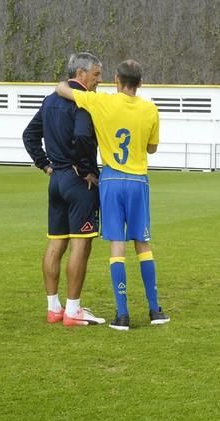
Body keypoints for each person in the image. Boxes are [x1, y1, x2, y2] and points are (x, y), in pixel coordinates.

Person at [56, 59, 170, 331]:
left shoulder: (103, 102)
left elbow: (63, 89)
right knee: (142, 243)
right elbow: (152, 148)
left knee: (116, 244)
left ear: (117, 80)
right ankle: (155, 310)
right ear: (140, 83)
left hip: (111, 179)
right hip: (138, 180)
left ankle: (122, 315)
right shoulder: (150, 108)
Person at [22, 52, 106, 325]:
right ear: (80, 74)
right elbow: (82, 135)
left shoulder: (49, 101)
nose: (99, 80)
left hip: (56, 180)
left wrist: (46, 165)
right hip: (77, 181)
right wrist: (86, 170)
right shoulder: (82, 103)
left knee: (56, 243)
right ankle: (73, 310)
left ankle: (53, 308)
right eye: (96, 74)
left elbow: (30, 135)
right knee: (82, 244)